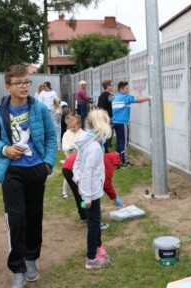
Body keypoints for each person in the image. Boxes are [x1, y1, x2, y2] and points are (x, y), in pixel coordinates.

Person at [0, 64, 56, 288]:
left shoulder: (39, 109)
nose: (24, 86)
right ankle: (18, 269)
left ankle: (31, 259)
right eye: (19, 83)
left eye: (27, 82)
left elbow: (52, 137)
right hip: (11, 172)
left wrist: (47, 164)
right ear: (8, 86)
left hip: (36, 170)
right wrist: (5, 149)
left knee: (34, 217)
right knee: (17, 219)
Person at [72, 109, 112, 269]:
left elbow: (77, 165)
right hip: (90, 193)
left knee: (95, 219)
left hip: (89, 191)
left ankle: (98, 246)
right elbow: (87, 171)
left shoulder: (87, 141)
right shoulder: (94, 147)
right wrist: (87, 197)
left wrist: (78, 179)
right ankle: (92, 257)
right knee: (93, 223)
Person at [62, 151, 123, 231]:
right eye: (117, 167)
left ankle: (84, 216)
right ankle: (94, 223)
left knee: (79, 196)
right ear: (115, 163)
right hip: (73, 168)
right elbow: (106, 184)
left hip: (67, 167)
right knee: (86, 197)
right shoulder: (107, 163)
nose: (115, 169)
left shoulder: (102, 157)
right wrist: (114, 197)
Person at [111, 81, 150, 166]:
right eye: (126, 88)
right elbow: (138, 100)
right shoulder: (125, 97)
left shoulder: (116, 98)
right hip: (122, 123)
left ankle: (117, 160)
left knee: (119, 141)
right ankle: (124, 162)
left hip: (115, 123)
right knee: (124, 142)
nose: (128, 90)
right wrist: (148, 98)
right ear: (121, 89)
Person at [61, 115, 85, 199]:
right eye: (70, 127)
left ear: (79, 125)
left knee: (80, 175)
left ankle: (81, 191)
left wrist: (77, 148)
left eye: (74, 127)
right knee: (68, 176)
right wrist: (68, 148)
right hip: (69, 158)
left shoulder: (83, 134)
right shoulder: (66, 134)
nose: (72, 129)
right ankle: (64, 192)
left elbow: (84, 145)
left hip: (80, 158)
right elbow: (64, 145)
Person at [97, 80, 114, 153]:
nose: (112, 86)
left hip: (101, 116)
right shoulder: (109, 96)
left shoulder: (101, 95)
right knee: (109, 132)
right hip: (108, 116)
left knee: (103, 132)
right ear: (108, 86)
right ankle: (107, 146)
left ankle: (104, 146)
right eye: (111, 85)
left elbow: (99, 106)